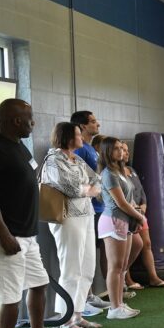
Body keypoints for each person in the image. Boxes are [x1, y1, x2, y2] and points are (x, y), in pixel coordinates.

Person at [0, 99, 71, 328]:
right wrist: (5, 235)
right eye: (30, 118)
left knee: (38, 284)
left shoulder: (19, 146)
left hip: (25, 235)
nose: (34, 122)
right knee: (10, 296)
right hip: (2, 236)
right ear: (16, 121)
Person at [42, 122, 102, 328]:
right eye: (77, 134)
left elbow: (97, 180)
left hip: (86, 215)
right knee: (71, 269)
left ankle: (77, 314)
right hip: (67, 218)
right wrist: (87, 190)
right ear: (67, 137)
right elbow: (69, 187)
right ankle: (65, 320)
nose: (81, 137)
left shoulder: (76, 159)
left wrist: (86, 190)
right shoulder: (53, 159)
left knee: (87, 268)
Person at [98, 137, 145, 319]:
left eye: (121, 148)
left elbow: (130, 199)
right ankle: (114, 308)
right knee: (115, 266)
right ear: (108, 152)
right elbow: (121, 203)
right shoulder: (108, 174)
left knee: (123, 266)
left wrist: (137, 211)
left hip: (126, 221)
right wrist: (139, 216)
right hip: (113, 221)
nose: (121, 151)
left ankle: (119, 303)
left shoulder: (120, 171)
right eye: (116, 149)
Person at [70, 110, 110, 313]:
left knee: (92, 256)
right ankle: (83, 300)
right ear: (82, 127)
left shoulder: (90, 149)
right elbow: (79, 181)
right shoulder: (79, 150)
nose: (98, 125)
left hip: (98, 207)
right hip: (86, 210)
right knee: (84, 255)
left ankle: (91, 295)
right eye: (93, 122)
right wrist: (93, 190)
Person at [122, 143, 164, 288]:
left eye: (126, 150)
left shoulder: (131, 170)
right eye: (121, 150)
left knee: (146, 244)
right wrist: (135, 210)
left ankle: (153, 277)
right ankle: (127, 279)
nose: (125, 153)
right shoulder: (114, 174)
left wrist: (143, 206)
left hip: (140, 213)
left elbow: (141, 191)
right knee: (130, 247)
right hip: (128, 214)